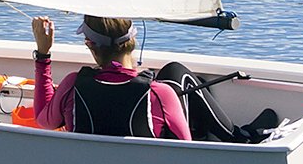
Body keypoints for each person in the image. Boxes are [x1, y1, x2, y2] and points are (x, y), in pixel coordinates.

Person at [29, 14, 190, 141]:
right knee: (176, 73)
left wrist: (43, 55)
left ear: (89, 44)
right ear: (132, 40)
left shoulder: (72, 85)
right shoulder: (159, 93)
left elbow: (44, 121)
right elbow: (185, 149)